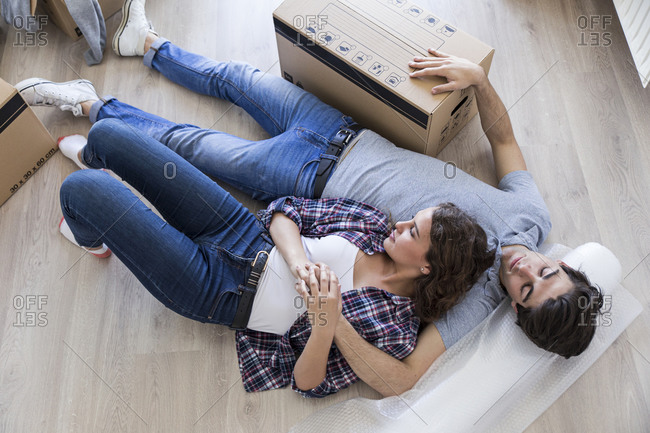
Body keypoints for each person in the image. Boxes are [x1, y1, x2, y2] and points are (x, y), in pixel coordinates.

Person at [17, 0, 603, 398]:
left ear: (518, 310)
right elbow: (502, 138)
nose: (523, 268)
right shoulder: (528, 216)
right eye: (547, 269)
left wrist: (331, 322)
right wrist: (478, 80)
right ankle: (142, 44)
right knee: (232, 79)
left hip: (300, 184)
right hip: (342, 137)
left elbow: (398, 378)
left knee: (184, 145)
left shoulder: (467, 298)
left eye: (527, 289)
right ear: (563, 261)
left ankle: (92, 125)